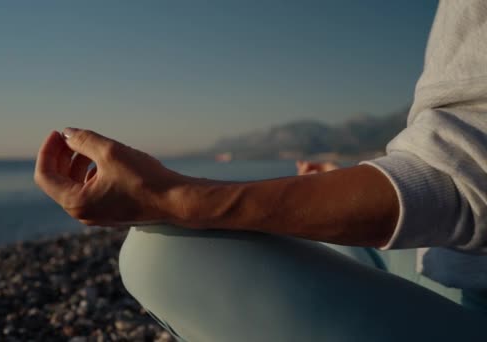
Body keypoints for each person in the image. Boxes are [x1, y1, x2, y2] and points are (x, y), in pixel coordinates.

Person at [34, 1, 487, 340]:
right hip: (452, 259)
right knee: (311, 229)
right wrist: (355, 177)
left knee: (161, 255)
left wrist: (171, 197)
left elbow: (461, 182)